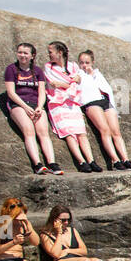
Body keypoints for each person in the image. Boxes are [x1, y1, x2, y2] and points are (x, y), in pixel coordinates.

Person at [42, 41, 102, 172]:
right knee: (69, 133)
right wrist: (68, 82)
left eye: (51, 52)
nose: (49, 55)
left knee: (81, 133)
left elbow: (77, 81)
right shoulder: (49, 67)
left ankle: (91, 160)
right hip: (58, 103)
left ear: (60, 53)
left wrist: (65, 84)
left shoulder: (72, 65)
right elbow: (54, 83)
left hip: (72, 102)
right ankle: (81, 162)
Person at [2, 42, 61, 175]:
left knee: (43, 133)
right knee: (29, 131)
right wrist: (25, 107)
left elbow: (41, 92)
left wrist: (40, 107)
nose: (22, 55)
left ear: (32, 56)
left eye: (25, 53)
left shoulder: (38, 71)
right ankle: (37, 164)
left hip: (36, 104)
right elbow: (11, 93)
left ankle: (52, 163)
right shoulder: (11, 69)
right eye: (20, 52)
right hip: (18, 105)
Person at [77, 51, 131, 170]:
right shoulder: (78, 74)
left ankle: (126, 159)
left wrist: (92, 74)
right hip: (91, 102)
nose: (84, 65)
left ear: (92, 62)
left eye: (87, 62)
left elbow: (106, 88)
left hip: (105, 101)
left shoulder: (97, 74)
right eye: (82, 63)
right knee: (105, 130)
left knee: (116, 132)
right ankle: (115, 160)